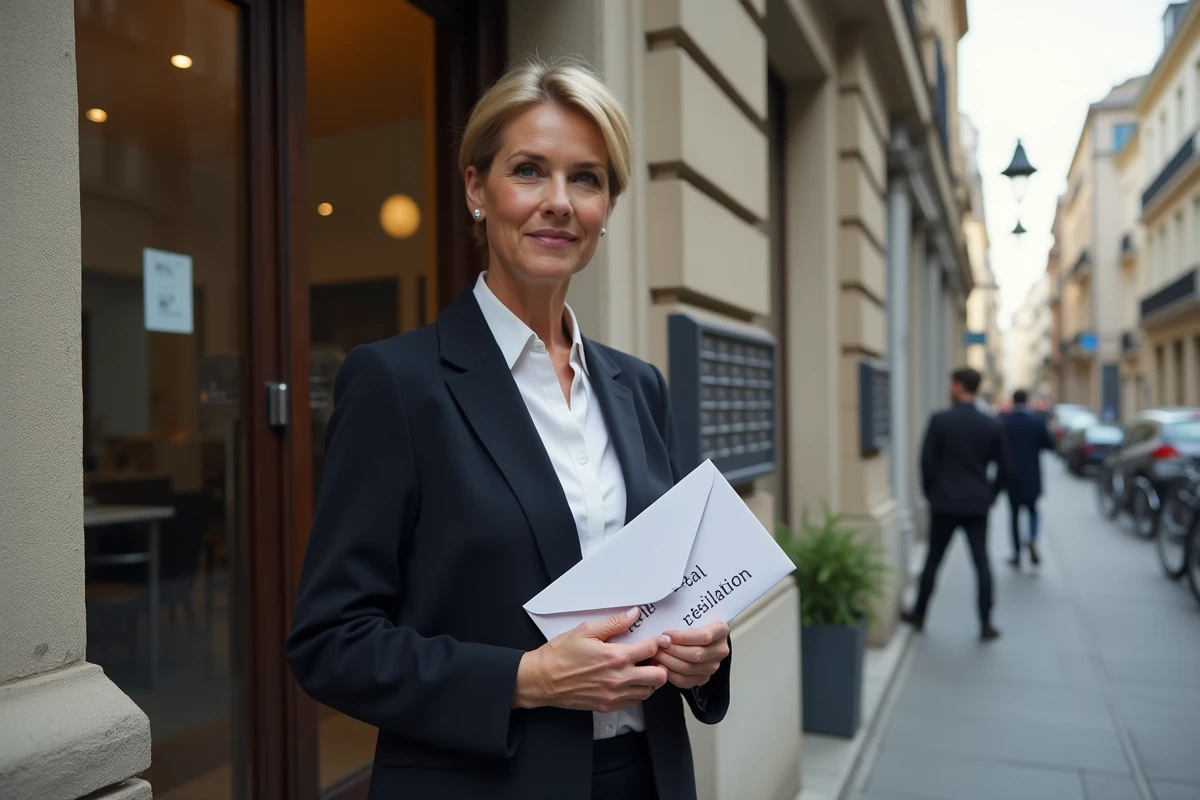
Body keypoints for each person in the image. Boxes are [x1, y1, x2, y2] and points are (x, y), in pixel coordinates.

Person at [285, 57, 731, 800]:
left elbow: (677, 592)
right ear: (475, 188)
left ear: (607, 207)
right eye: (529, 170)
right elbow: (330, 643)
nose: (559, 202)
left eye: (586, 179)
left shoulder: (637, 387)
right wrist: (525, 679)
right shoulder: (398, 383)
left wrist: (705, 654)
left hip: (647, 778)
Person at [901, 367, 1009, 642]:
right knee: (981, 563)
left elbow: (926, 462)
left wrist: (931, 493)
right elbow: (1005, 469)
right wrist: (990, 494)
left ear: (960, 386)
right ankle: (986, 623)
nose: (949, 388)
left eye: (952, 384)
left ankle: (919, 614)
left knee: (933, 560)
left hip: (944, 503)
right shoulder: (991, 424)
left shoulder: (941, 420)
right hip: (976, 504)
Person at [1000, 388, 1054, 568]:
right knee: (1033, 510)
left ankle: (1016, 553)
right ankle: (1032, 538)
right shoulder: (1036, 421)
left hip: (1012, 476)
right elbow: (1049, 445)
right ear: (1027, 400)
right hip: (1032, 474)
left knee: (1014, 515)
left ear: (1013, 401)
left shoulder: (1005, 421)